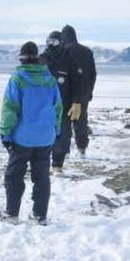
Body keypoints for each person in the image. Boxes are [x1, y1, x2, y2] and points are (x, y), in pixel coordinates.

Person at [0, 42, 62, 224]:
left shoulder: (17, 79)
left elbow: (10, 109)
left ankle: (11, 214)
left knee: (14, 175)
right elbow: (57, 107)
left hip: (23, 138)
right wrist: (55, 130)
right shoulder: (49, 79)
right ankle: (39, 215)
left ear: (21, 58)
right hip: (45, 138)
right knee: (42, 177)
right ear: (37, 57)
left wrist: (5, 133)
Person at [41, 31, 84, 175]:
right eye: (49, 41)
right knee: (42, 135)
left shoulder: (70, 60)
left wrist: (77, 103)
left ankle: (57, 165)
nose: (51, 45)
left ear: (61, 43)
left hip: (64, 105)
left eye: (55, 42)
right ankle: (41, 163)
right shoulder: (42, 59)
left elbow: (79, 83)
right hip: (42, 105)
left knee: (63, 136)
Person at [61, 24, 97, 157]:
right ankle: (82, 149)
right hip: (83, 93)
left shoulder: (63, 51)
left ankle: (64, 151)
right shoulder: (87, 51)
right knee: (81, 121)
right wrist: (89, 91)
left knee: (64, 122)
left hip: (66, 94)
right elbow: (93, 74)